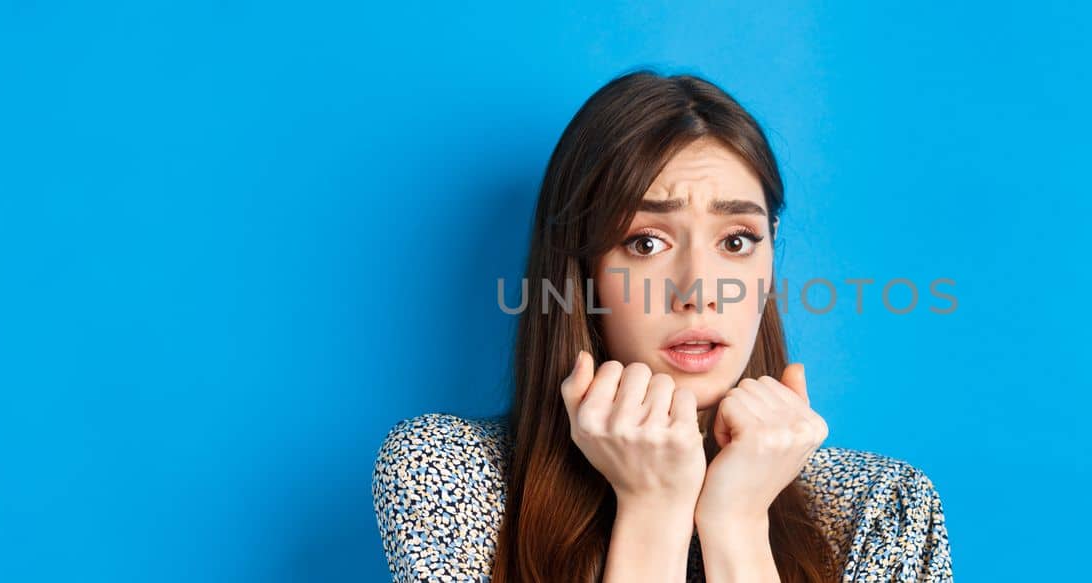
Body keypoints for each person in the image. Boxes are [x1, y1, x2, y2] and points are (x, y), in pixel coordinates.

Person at [372, 69, 953, 582]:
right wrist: (652, 508)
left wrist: (738, 522)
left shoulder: (882, 506)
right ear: (582, 272)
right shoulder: (451, 473)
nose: (700, 291)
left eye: (736, 240)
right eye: (645, 242)